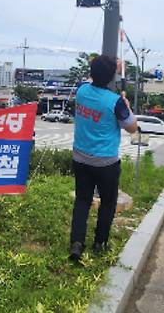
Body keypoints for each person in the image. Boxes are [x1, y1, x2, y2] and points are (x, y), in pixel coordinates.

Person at [69, 55, 138, 261]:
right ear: (111, 78)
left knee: (82, 201)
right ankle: (100, 243)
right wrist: (126, 104)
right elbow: (132, 128)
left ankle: (77, 243)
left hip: (80, 158)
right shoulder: (115, 102)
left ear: (91, 72)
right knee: (108, 203)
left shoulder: (81, 91)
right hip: (106, 163)